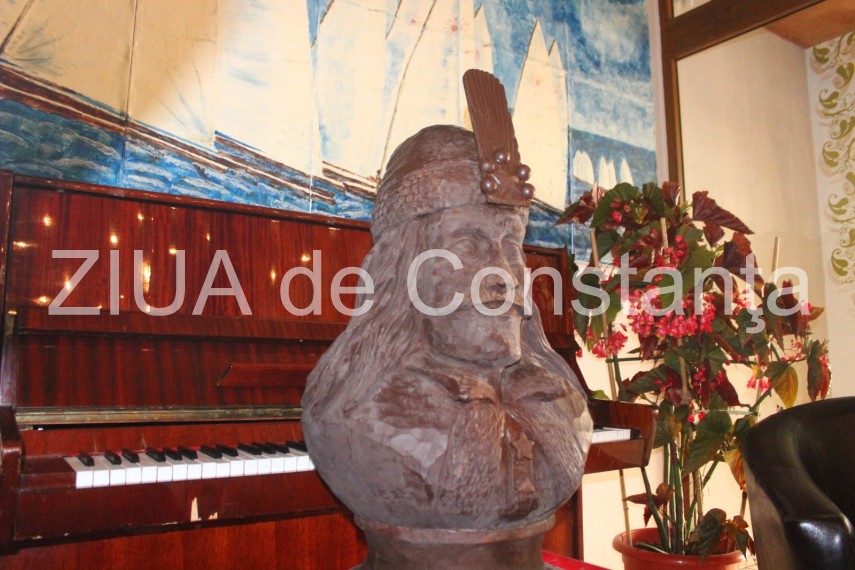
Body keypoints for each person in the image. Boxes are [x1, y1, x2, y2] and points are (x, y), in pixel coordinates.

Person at [302, 124, 592, 535]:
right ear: (403, 268)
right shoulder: (361, 416)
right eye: (468, 247)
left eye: (512, 247)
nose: (503, 275)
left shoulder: (556, 399)